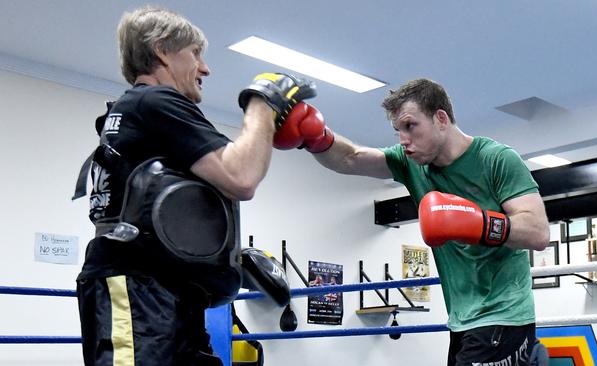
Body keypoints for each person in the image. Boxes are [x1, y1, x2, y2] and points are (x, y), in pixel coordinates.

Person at [75, 6, 315, 366]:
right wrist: (262, 103)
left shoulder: (139, 111)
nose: (205, 68)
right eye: (195, 54)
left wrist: (225, 256)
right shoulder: (154, 100)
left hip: (165, 289)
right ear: (162, 51)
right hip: (139, 288)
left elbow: (167, 205)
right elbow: (241, 177)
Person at [274, 79, 550, 365]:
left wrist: (476, 223)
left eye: (410, 126)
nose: (403, 140)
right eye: (398, 131)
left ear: (440, 118)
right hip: (461, 321)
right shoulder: (412, 165)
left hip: (504, 315)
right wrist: (315, 137)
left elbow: (538, 232)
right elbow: (351, 158)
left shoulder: (496, 159)